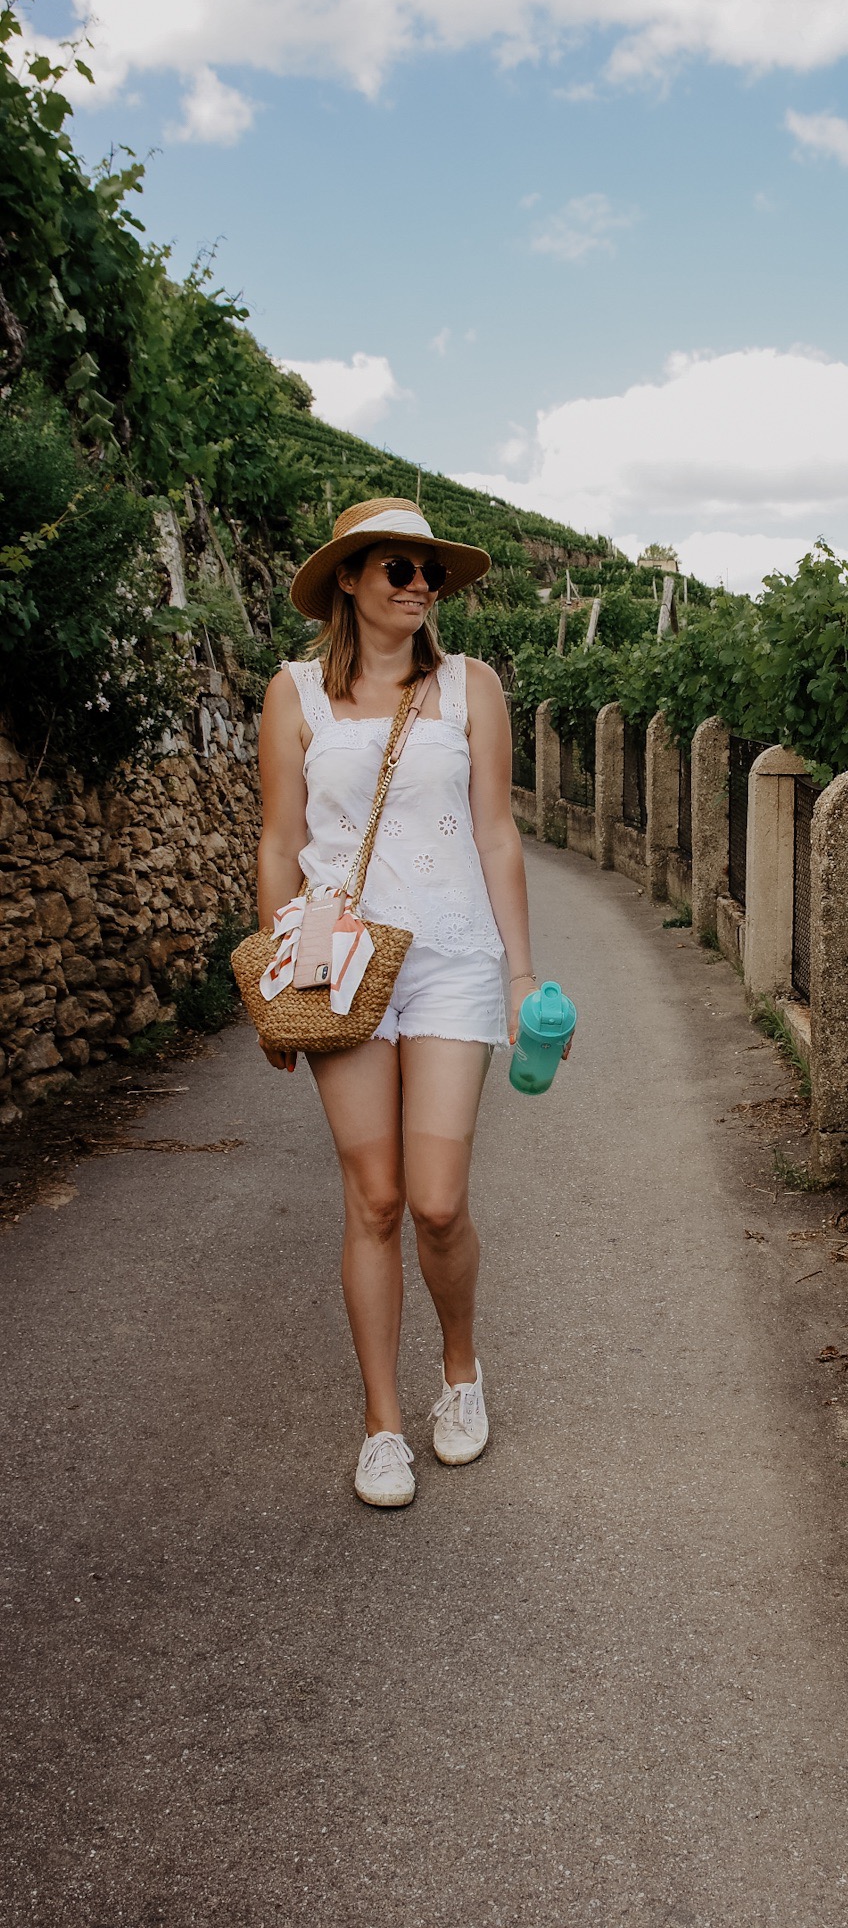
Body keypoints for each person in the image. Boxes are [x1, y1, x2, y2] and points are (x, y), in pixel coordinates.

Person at [254, 496, 554, 1508]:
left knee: (435, 1199)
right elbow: (278, 840)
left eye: (431, 570)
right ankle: (382, 1421)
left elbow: (498, 834)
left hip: (452, 957)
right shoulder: (293, 693)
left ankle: (460, 1368)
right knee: (372, 1197)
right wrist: (275, 978)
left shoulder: (472, 686)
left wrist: (518, 974)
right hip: (338, 960)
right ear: (349, 578)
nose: (422, 584)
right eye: (398, 567)